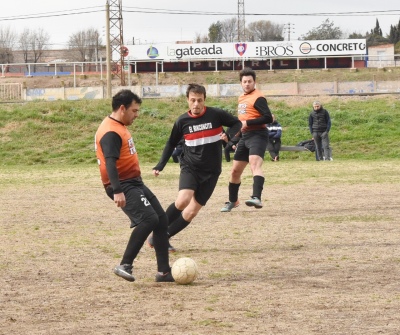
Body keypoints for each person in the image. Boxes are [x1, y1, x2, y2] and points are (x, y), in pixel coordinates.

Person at [149, 83, 242, 250]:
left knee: (191, 212)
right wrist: (160, 165)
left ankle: (162, 238)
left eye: (200, 100)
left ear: (204, 99)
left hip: (212, 171)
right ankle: (158, 232)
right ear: (187, 100)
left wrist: (228, 136)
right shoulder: (182, 121)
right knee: (183, 199)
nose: (196, 104)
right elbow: (171, 143)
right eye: (193, 100)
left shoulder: (216, 115)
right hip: (190, 167)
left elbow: (237, 123)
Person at [95, 89, 174, 283]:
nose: (137, 115)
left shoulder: (118, 125)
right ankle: (125, 264)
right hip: (122, 185)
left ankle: (164, 272)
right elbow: (110, 163)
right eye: (134, 110)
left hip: (133, 182)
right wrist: (117, 191)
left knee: (161, 219)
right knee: (148, 219)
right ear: (122, 108)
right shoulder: (111, 131)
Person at [221, 68, 273, 213]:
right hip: (245, 136)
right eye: (244, 81)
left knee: (254, 165)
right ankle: (233, 201)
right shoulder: (241, 98)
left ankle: (256, 197)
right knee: (235, 172)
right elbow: (241, 122)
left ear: (254, 82)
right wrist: (233, 138)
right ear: (241, 83)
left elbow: (268, 117)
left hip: (258, 134)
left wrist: (248, 123)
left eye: (250, 81)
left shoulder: (258, 97)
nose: (247, 84)